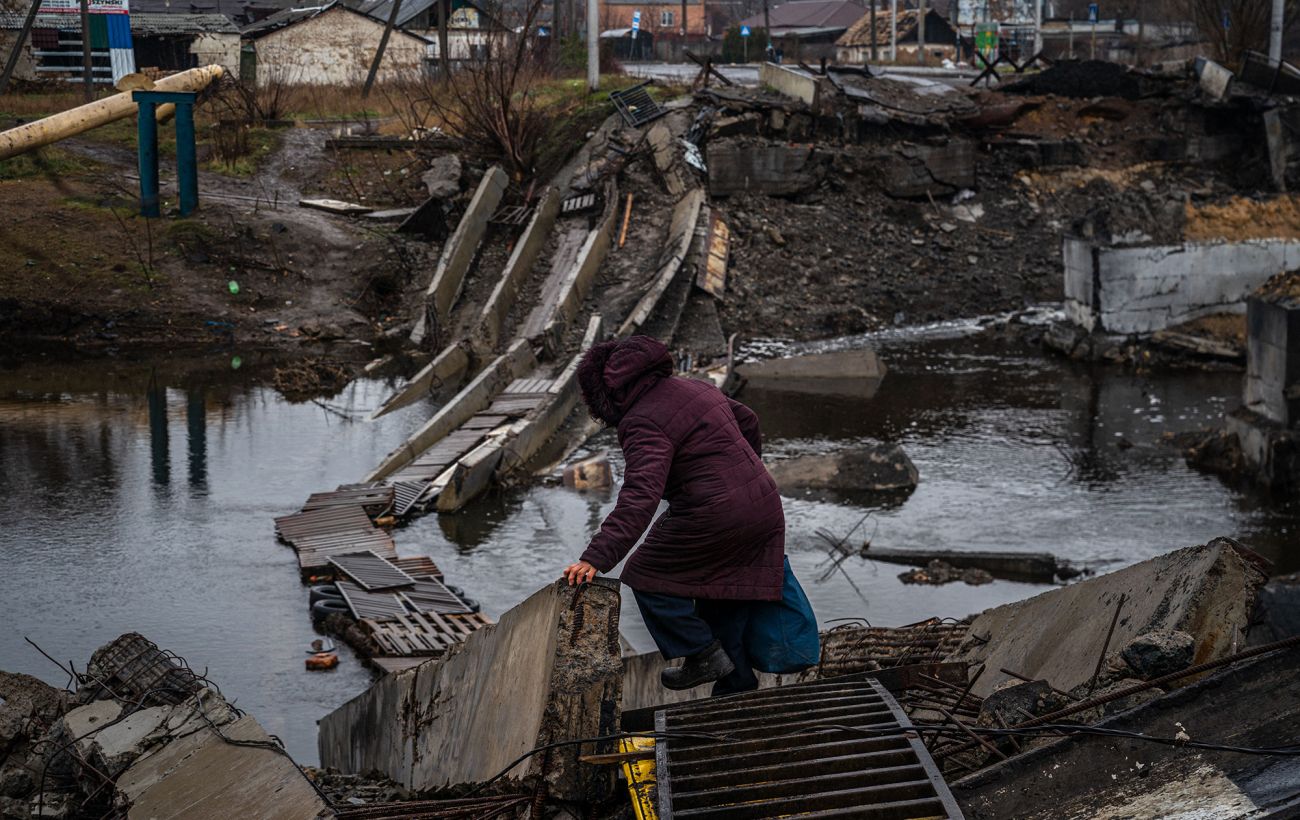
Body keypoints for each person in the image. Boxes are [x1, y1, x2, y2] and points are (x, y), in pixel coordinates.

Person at [561, 336, 785, 695]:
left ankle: (701, 653)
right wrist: (745, 472)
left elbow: (640, 494)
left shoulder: (641, 421)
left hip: (715, 515)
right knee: (724, 600)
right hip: (764, 508)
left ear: (607, 394)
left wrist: (596, 557)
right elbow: (749, 419)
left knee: (647, 575)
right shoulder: (695, 387)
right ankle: (736, 696)